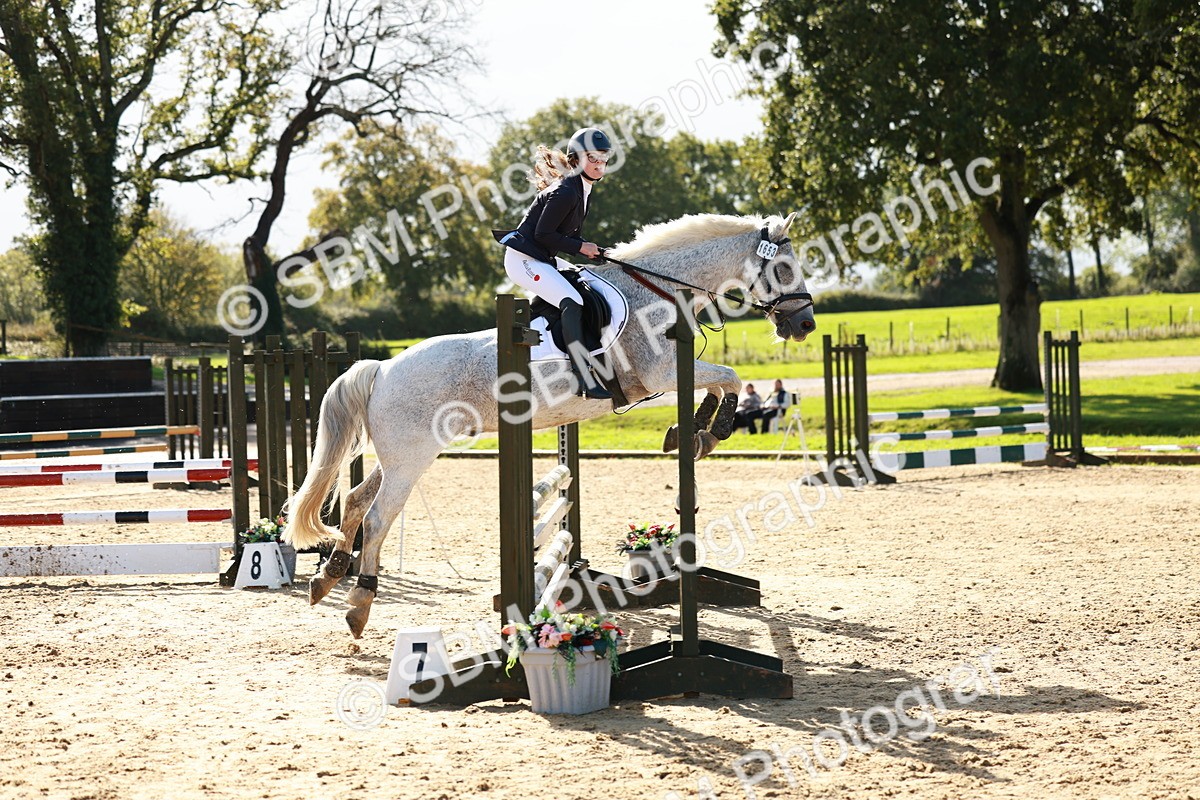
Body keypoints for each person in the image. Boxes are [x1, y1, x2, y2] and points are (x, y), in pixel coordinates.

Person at [493, 127, 614, 400]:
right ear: (576, 159)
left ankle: (544, 322)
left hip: (542, 257)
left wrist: (593, 251)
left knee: (586, 281)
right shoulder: (566, 192)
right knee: (573, 301)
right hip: (523, 260)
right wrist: (581, 247)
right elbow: (543, 234)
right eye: (592, 158)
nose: (599, 164)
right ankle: (582, 377)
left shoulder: (582, 189)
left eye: (603, 158)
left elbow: (566, 235)